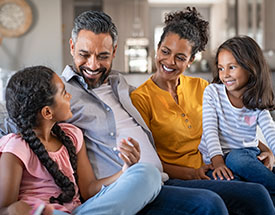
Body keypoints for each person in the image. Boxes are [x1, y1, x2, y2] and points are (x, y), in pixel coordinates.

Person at [0, 10, 274, 215]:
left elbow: (230, 118)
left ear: (115, 52)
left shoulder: (123, 86)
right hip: (124, 186)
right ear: (72, 47)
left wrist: (260, 146)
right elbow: (21, 118)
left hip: (160, 179)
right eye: (84, 54)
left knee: (256, 195)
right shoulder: (59, 95)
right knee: (210, 203)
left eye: (103, 56)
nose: (93, 64)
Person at [130, 7, 275, 214]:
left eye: (180, 57)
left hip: (218, 166)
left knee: (262, 183)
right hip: (180, 179)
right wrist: (193, 173)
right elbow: (148, 162)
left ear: (191, 60)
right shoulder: (140, 99)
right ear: (157, 48)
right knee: (257, 194)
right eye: (165, 51)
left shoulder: (202, 87)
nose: (170, 62)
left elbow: (230, 126)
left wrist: (265, 149)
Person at [0, 66, 161, 215]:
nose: (69, 96)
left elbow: (89, 190)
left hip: (81, 211)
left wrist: (125, 171)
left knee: (148, 173)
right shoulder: (17, 147)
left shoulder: (72, 135)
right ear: (47, 112)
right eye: (63, 93)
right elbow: (4, 207)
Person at [198, 35, 275, 198]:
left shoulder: (257, 99)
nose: (225, 74)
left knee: (236, 159)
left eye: (232, 67)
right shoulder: (213, 93)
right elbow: (210, 129)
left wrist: (271, 153)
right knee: (239, 184)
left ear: (251, 67)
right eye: (220, 68)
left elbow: (270, 131)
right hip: (216, 159)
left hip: (244, 156)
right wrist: (218, 162)